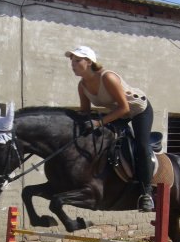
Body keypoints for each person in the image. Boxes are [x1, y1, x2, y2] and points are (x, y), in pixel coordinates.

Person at [65, 45, 155, 212]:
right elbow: (84, 112)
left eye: (77, 60)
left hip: (138, 110)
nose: (73, 64)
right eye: (72, 61)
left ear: (89, 62)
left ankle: (146, 193)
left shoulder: (108, 77)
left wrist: (99, 122)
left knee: (141, 146)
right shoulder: (82, 85)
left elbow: (125, 108)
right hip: (117, 113)